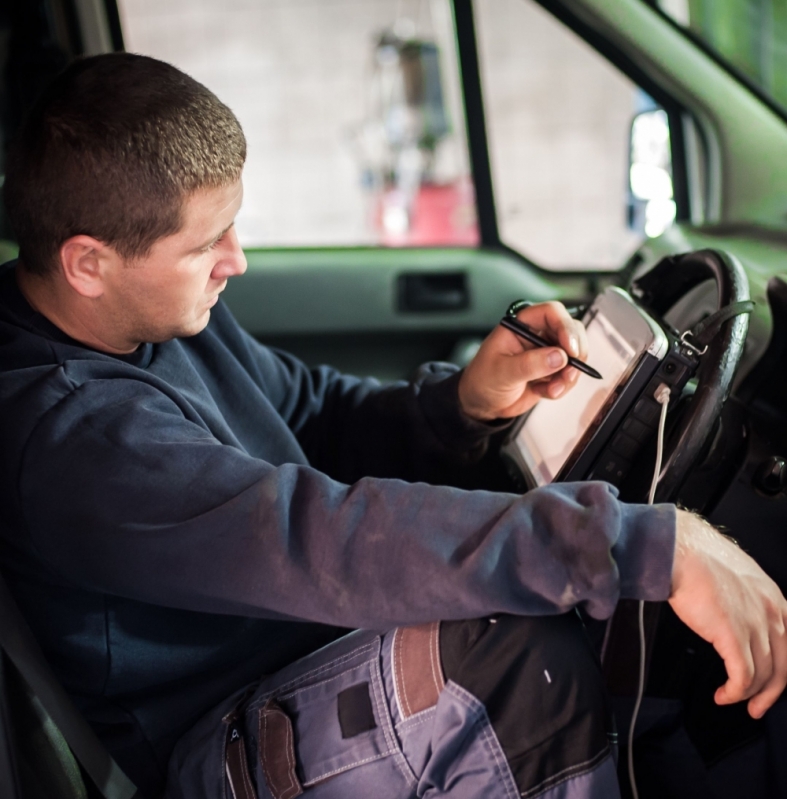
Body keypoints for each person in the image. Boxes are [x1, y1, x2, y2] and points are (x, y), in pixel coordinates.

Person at [0, 53, 784, 799]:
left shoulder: (154, 319)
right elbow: (314, 537)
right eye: (205, 244)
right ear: (88, 264)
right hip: (218, 741)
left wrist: (464, 402)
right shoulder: (73, 440)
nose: (235, 260)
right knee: (514, 657)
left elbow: (312, 414)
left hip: (308, 655)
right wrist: (643, 542)